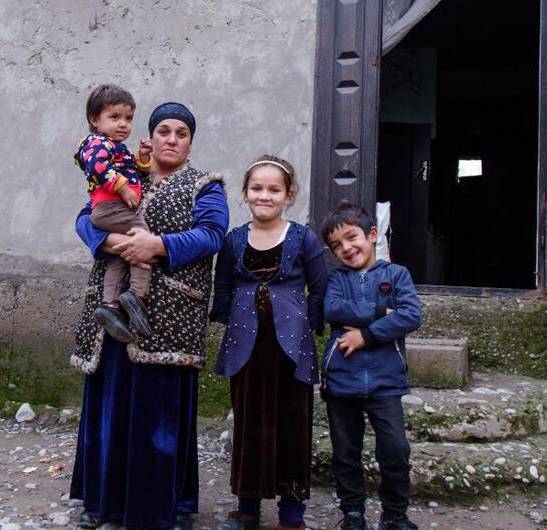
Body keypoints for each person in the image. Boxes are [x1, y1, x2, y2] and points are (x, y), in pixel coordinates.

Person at [69, 101, 229, 530]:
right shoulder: (124, 174)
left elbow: (212, 234)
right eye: (164, 131)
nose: (171, 139)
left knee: (158, 413)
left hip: (170, 316)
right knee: (112, 403)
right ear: (152, 136)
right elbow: (86, 218)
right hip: (111, 312)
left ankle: (166, 506)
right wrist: (111, 244)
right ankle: (103, 503)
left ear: (190, 141)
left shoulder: (205, 185)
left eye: (181, 133)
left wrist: (157, 246)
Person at [210, 155, 327, 530]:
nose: (265, 196)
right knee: (248, 423)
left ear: (288, 196)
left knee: (292, 424)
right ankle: (247, 508)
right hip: (246, 348)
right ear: (245, 194)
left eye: (274, 190)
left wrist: (303, 325)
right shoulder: (232, 241)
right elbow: (224, 286)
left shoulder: (303, 238)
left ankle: (292, 514)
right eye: (256, 188)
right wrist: (235, 322)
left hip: (290, 351)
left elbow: (319, 286)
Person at [319, 203, 423, 530]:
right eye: (336, 245)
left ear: (372, 235)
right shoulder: (336, 279)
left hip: (386, 382)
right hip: (342, 381)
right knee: (345, 454)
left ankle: (394, 515)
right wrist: (381, 312)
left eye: (352, 238)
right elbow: (333, 309)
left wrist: (366, 335)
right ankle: (352, 514)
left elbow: (410, 316)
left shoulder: (397, 274)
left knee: (395, 451)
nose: (346, 248)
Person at [74, 84, 155, 342]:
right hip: (112, 206)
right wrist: (123, 190)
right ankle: (137, 296)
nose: (123, 124)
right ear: (94, 119)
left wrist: (142, 156)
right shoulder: (97, 143)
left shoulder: (115, 147)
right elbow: (98, 167)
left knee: (120, 257)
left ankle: (110, 305)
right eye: (115, 117)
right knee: (143, 240)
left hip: (110, 209)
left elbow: (136, 170)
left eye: (128, 119)